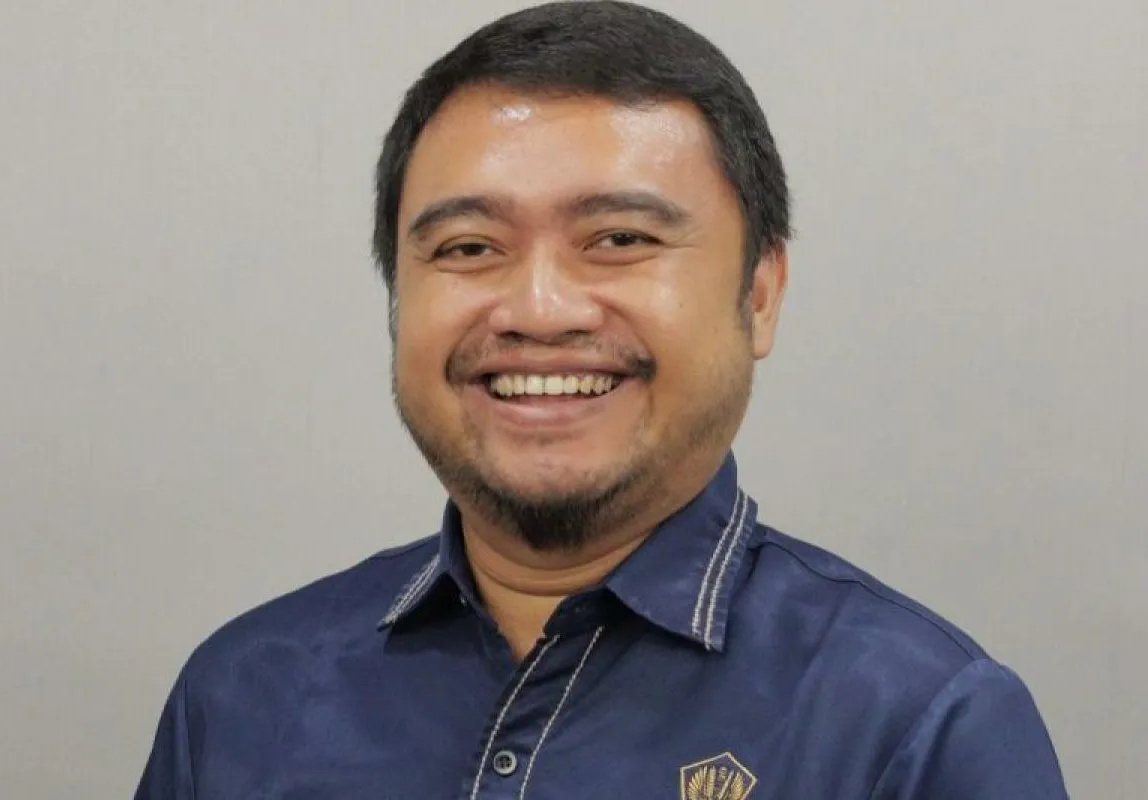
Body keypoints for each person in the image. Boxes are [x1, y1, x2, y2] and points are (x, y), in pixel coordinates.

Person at [135, 2, 1069, 797]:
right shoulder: (244, 694)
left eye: (619, 239)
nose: (539, 310)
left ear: (759, 292)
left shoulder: (916, 726)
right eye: (469, 248)